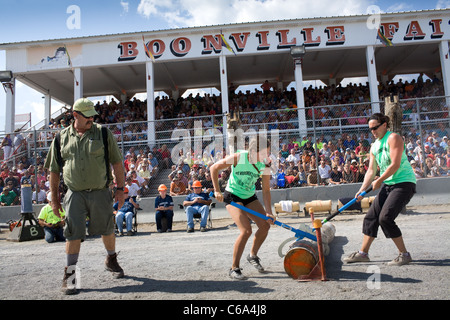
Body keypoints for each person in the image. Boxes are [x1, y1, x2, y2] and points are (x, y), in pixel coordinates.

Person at [44, 98, 126, 295]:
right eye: (87, 116)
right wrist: (54, 200)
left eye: (92, 115)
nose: (92, 119)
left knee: (107, 230)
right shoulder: (60, 138)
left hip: (100, 191)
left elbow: (117, 163)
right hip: (74, 194)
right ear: (75, 115)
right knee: (72, 233)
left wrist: (120, 189)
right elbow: (54, 171)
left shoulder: (104, 134)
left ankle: (111, 258)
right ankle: (70, 276)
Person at [344, 113, 416, 266]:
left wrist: (379, 180)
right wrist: (362, 189)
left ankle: (404, 254)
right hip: (388, 184)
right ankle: (363, 253)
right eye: (370, 129)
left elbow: (395, 164)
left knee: (385, 218)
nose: (373, 131)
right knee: (371, 216)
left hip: (404, 183)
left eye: (375, 127)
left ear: (384, 124)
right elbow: (371, 170)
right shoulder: (374, 146)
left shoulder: (393, 138)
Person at [210, 137, 275, 280]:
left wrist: (269, 212)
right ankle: (234, 268)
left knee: (264, 226)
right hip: (233, 196)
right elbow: (213, 168)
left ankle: (252, 255)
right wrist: (216, 191)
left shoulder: (265, 165)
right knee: (246, 230)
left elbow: (266, 191)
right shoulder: (239, 157)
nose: (267, 156)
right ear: (253, 151)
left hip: (249, 197)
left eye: (268, 153)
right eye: (264, 153)